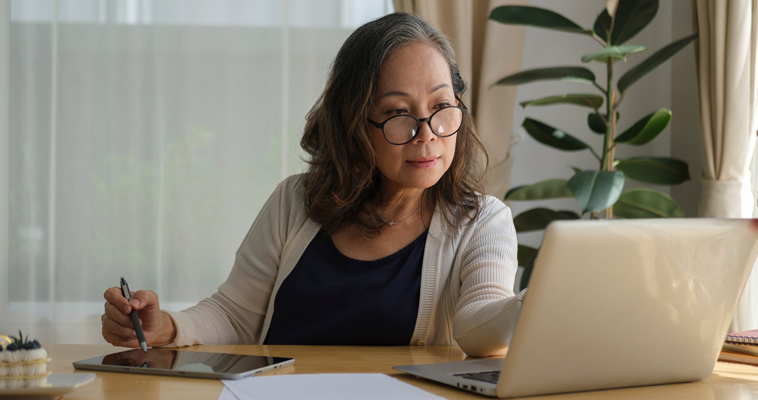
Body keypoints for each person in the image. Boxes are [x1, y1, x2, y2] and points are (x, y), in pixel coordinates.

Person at [101, 12, 524, 357]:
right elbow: (235, 315)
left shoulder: (482, 221)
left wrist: (535, 306)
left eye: (441, 106)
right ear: (355, 122)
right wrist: (167, 327)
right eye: (399, 112)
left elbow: (479, 325)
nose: (426, 133)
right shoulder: (295, 201)